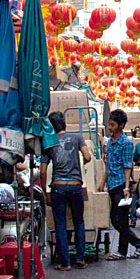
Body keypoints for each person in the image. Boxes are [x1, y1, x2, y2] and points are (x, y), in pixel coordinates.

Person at [44, 111, 93, 270]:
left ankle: (65, 263)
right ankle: (80, 258)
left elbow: (43, 170)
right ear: (64, 123)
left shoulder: (48, 142)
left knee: (60, 224)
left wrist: (46, 192)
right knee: (79, 221)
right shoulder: (77, 137)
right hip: (75, 184)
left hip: (58, 186)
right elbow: (87, 157)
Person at [104, 109, 140, 260]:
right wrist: (102, 183)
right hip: (111, 184)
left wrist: (127, 187)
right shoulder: (110, 141)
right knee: (116, 219)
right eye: (109, 124)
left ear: (121, 126)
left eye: (112, 125)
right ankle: (132, 246)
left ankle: (132, 246)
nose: (110, 127)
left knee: (119, 219)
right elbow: (107, 163)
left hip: (121, 185)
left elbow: (127, 166)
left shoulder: (126, 143)